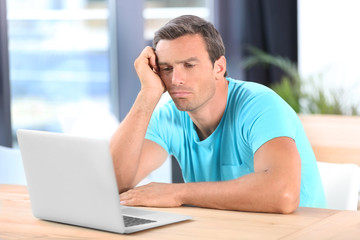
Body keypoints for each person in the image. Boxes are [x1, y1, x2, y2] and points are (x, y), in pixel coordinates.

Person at [110, 15, 326, 213]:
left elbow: (283, 195)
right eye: (166, 69)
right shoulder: (169, 117)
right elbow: (112, 184)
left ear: (219, 68)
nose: (176, 80)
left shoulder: (260, 105)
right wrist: (148, 93)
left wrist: (177, 193)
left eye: (189, 65)